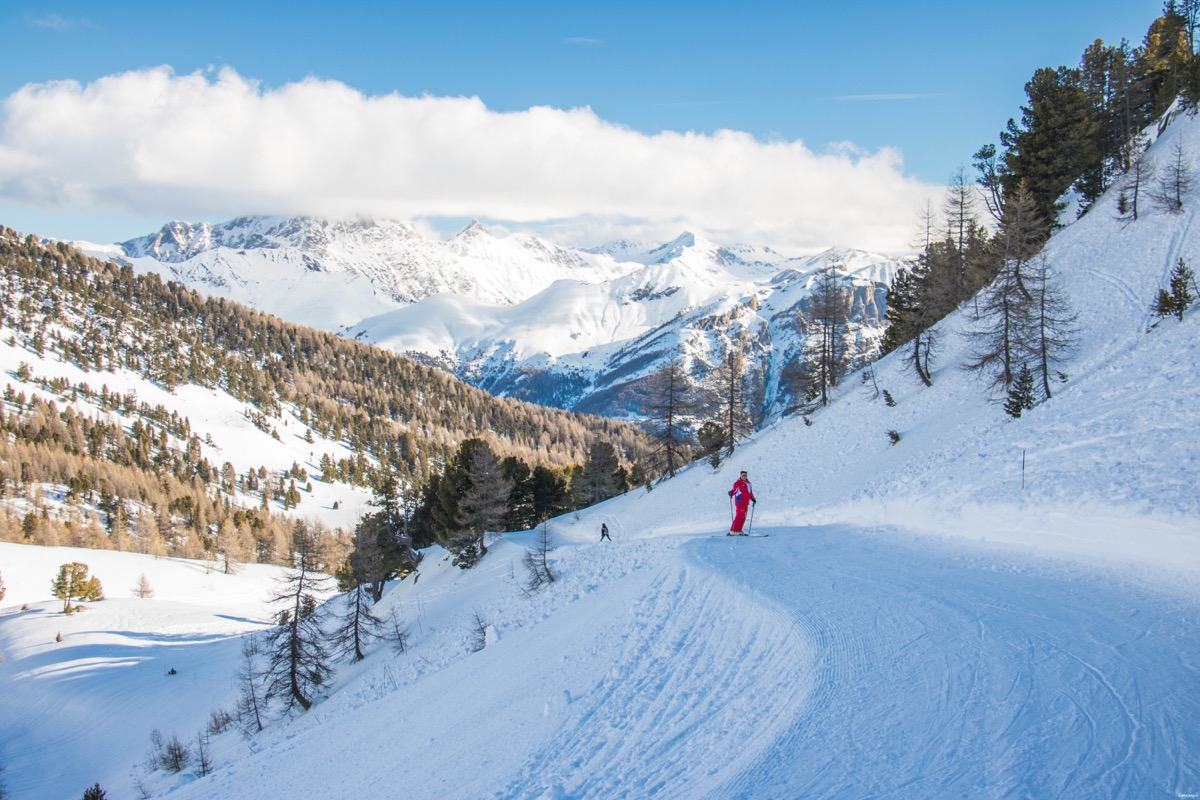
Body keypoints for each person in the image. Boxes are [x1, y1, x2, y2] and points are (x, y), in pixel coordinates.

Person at [727, 470, 756, 535]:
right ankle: (733, 530)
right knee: (739, 515)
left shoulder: (749, 484)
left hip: (746, 502)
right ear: (740, 476)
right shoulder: (737, 483)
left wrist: (753, 499)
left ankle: (739, 530)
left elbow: (750, 492)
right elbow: (734, 490)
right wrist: (731, 493)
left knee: (743, 516)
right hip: (739, 501)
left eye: (745, 475)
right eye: (743, 475)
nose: (744, 477)